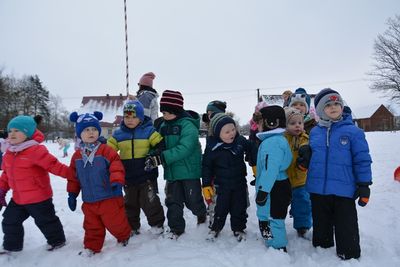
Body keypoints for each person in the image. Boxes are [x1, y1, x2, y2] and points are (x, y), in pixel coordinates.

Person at [306, 88, 372, 260]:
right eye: (328, 105)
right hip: (318, 188)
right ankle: (322, 247)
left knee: (346, 223)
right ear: (320, 110)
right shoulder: (314, 132)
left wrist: (364, 184)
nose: (333, 107)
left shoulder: (353, 132)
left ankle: (348, 252)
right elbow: (312, 158)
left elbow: (362, 160)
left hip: (344, 188)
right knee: (320, 220)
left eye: (337, 103)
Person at [0, 115, 69, 253]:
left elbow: (54, 166)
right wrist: (2, 189)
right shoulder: (9, 153)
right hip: (18, 198)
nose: (12, 134)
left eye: (17, 130)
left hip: (39, 198)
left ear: (27, 133)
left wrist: (75, 175)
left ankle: (57, 240)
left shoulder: (35, 150)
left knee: (46, 221)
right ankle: (12, 245)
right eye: (10, 130)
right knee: (9, 220)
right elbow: (7, 174)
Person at [67, 111, 131, 256]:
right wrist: (72, 193)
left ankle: (124, 236)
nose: (91, 132)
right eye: (86, 130)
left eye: (94, 129)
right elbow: (73, 177)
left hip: (109, 196)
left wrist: (116, 183)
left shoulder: (106, 150)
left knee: (116, 222)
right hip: (89, 200)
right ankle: (92, 247)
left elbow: (116, 166)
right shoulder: (77, 156)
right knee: (91, 226)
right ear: (79, 134)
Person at [107, 100, 165, 236]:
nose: (130, 120)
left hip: (146, 174)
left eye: (134, 117)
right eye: (127, 117)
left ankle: (157, 224)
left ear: (140, 117)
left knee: (150, 201)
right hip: (128, 176)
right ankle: (132, 226)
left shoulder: (148, 131)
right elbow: (108, 150)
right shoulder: (118, 134)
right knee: (130, 203)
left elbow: (161, 144)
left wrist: (154, 155)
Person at [157, 90, 207, 239]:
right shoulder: (163, 126)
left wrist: (164, 156)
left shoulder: (188, 126)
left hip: (189, 171)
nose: (164, 116)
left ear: (177, 110)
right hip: (172, 172)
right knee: (173, 201)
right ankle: (175, 228)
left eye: (167, 113)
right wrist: (156, 151)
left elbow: (185, 148)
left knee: (193, 200)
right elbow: (157, 142)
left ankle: (201, 213)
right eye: (163, 112)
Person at [202, 113, 251, 242]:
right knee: (220, 209)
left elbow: (252, 148)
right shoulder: (212, 148)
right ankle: (215, 228)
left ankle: (238, 229)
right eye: (227, 132)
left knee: (239, 208)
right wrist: (206, 184)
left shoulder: (239, 141)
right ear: (218, 133)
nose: (231, 134)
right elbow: (206, 167)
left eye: (233, 129)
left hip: (239, 183)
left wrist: (254, 162)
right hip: (221, 186)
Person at [255, 106, 292, 252]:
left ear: (271, 123)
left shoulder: (272, 143)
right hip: (277, 184)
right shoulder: (276, 140)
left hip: (273, 187)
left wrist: (263, 191)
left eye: (259, 122)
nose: (257, 125)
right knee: (271, 215)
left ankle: (277, 247)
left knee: (272, 216)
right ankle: (272, 241)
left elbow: (271, 170)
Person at [283, 107, 312, 237]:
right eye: (292, 123)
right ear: (285, 125)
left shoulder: (304, 138)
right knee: (280, 203)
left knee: (303, 203)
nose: (297, 126)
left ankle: (302, 226)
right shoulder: (282, 139)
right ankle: (277, 223)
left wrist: (305, 152)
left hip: (300, 179)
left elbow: (305, 147)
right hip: (284, 179)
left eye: (300, 123)